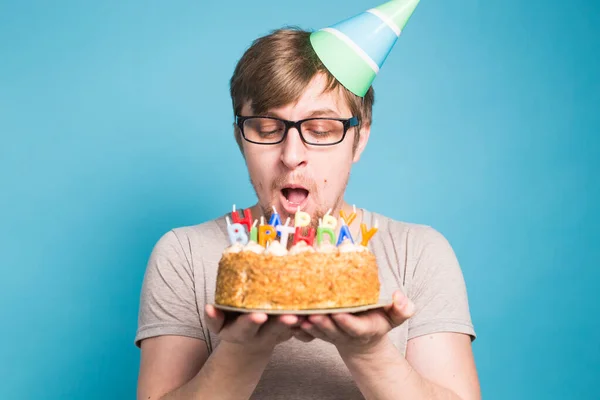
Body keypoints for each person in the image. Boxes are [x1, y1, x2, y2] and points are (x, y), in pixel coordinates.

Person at [135, 6, 480, 400]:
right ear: (239, 137)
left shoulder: (418, 253)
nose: (292, 154)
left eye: (320, 129)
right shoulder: (184, 255)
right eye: (266, 128)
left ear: (360, 138)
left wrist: (366, 350)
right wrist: (243, 350)